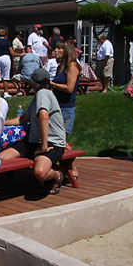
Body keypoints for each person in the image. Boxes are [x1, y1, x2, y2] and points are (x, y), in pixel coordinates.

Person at [1, 68, 66, 193]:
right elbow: (24, 119)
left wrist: (44, 146)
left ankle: (57, 176)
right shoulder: (38, 97)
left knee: (40, 172)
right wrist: (2, 123)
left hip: (52, 143)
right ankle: (36, 178)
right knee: (1, 160)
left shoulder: (43, 93)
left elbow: (44, 116)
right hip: (33, 141)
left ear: (35, 83)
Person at [50, 42, 81, 179]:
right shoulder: (59, 67)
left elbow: (69, 88)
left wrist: (53, 84)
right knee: (57, 139)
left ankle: (72, 167)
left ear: (66, 50)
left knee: (61, 140)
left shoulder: (72, 66)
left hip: (66, 108)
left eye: (59, 48)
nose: (55, 50)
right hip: (56, 106)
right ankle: (65, 167)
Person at [0, 28, 14, 99]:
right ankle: (6, 93)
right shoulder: (7, 42)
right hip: (5, 57)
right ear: (5, 35)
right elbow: (11, 52)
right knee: (6, 76)